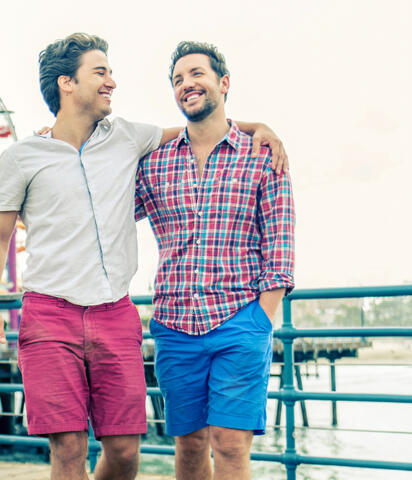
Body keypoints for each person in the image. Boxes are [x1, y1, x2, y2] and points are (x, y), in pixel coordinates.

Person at [0, 33, 286, 480]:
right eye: (101, 72)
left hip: (116, 313)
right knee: (68, 446)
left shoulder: (126, 137)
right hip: (50, 310)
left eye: (110, 72)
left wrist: (259, 127)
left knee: (124, 451)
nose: (112, 83)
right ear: (67, 83)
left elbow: (200, 125)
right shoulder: (23, 156)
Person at [135, 40, 295, 480]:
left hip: (239, 321)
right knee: (188, 447)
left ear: (223, 82)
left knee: (230, 446)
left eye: (197, 74)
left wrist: (261, 318)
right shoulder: (153, 164)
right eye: (178, 80)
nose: (187, 84)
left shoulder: (264, 153)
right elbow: (106, 212)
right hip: (174, 324)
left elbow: (280, 244)